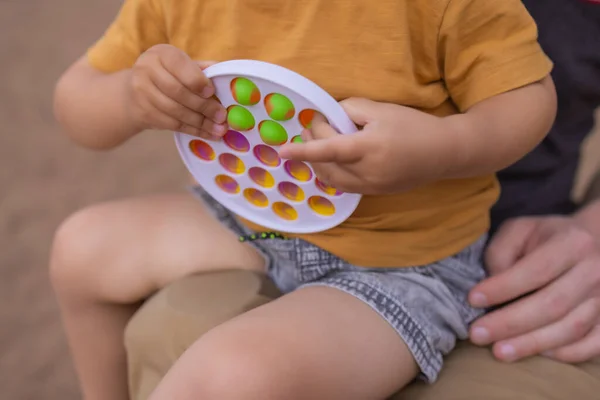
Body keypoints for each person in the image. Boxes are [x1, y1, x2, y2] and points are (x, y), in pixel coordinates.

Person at [49, 0, 559, 399]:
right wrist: (130, 99)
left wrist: (443, 148)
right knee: (80, 249)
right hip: (250, 217)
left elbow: (527, 97)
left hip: (404, 266)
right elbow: (76, 100)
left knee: (232, 375)